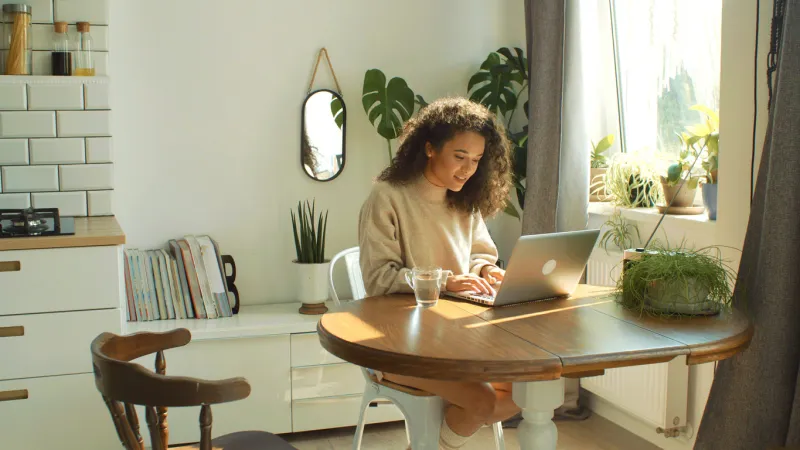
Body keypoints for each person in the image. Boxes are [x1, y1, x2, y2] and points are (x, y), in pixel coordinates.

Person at [358, 97, 517, 449]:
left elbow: (478, 254)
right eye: (459, 157)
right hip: (397, 344)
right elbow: (379, 279)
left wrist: (488, 271)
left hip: (460, 336)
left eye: (476, 161)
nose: (467, 170)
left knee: (530, 390)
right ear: (429, 148)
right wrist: (446, 280)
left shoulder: (464, 198)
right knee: (485, 402)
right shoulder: (388, 197)